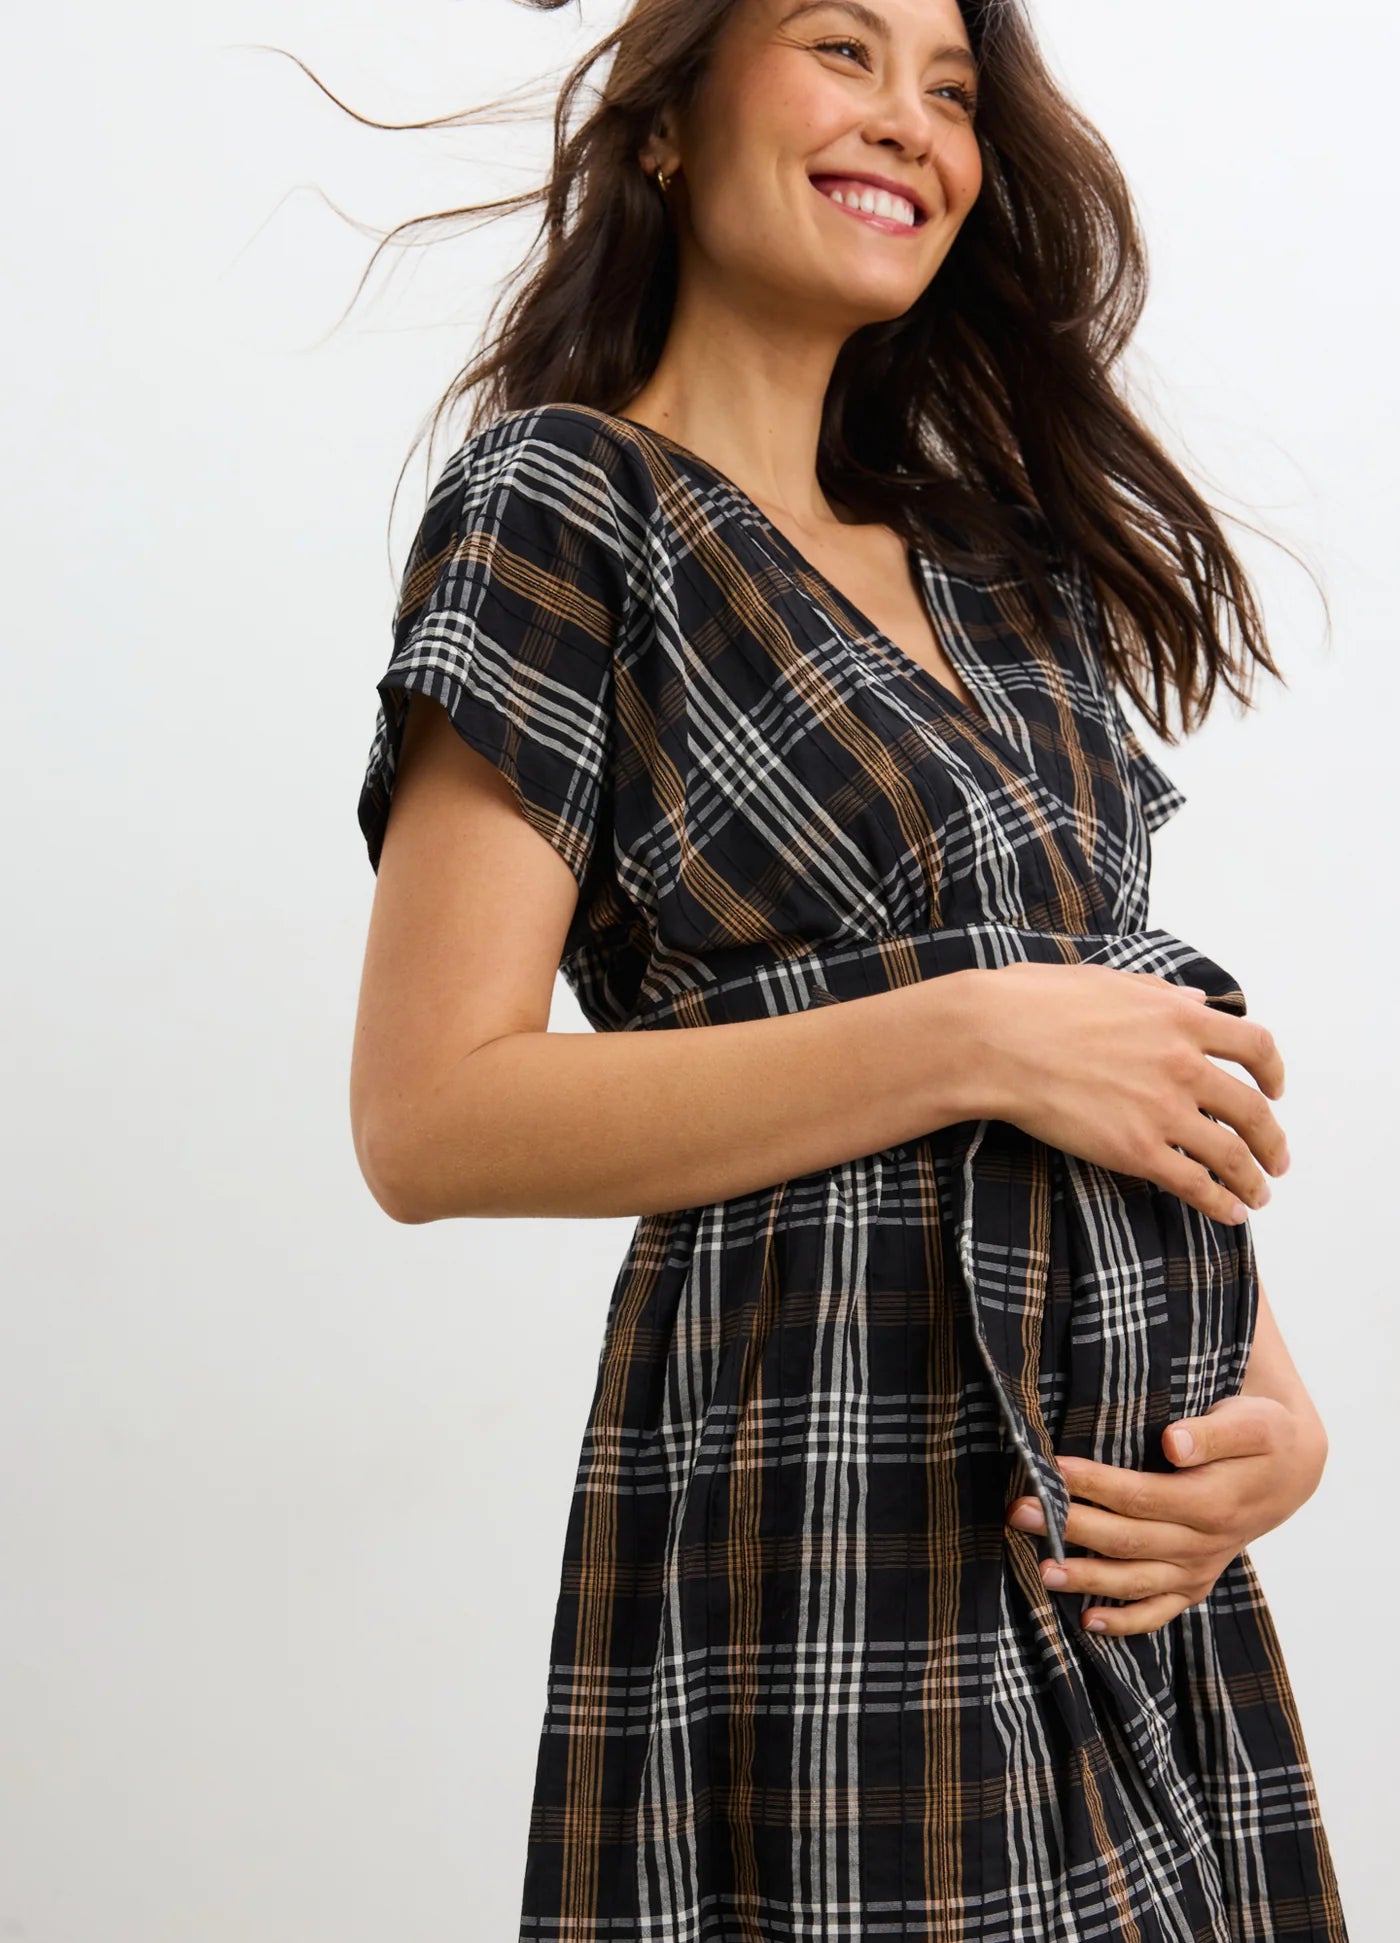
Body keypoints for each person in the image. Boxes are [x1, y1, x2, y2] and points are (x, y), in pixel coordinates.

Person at [350, 0, 1349, 1935]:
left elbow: (1111, 1028)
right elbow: (427, 1114)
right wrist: (968, 1039)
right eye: (842, 49)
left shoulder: (1003, 572)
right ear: (667, 119)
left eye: (953, 91)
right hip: (835, 1500)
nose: (909, 121)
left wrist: (1268, 1411)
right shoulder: (567, 506)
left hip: (1123, 1543)